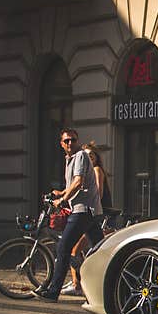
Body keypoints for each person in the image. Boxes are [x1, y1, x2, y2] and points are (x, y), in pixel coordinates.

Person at [34, 128, 103, 302]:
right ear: (61, 144)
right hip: (89, 211)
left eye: (73, 140)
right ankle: (107, 287)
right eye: (66, 141)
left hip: (83, 211)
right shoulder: (69, 160)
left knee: (63, 248)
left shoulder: (79, 156)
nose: (70, 143)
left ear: (77, 141)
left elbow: (78, 182)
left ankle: (53, 292)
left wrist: (63, 200)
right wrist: (61, 192)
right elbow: (76, 183)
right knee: (100, 252)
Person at [62, 142, 111, 296]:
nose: (88, 159)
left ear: (96, 158)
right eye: (86, 156)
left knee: (74, 250)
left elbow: (98, 193)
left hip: (94, 214)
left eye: (91, 156)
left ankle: (80, 284)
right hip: (93, 214)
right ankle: (80, 282)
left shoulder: (96, 170)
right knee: (92, 249)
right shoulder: (87, 171)